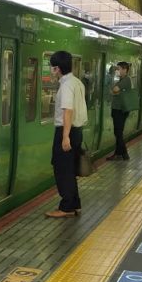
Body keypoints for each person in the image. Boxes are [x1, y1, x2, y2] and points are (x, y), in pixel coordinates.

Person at [46, 50, 87, 219]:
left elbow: (67, 111)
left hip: (67, 131)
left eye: (52, 68)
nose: (51, 71)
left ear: (57, 69)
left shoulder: (66, 86)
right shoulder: (77, 82)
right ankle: (74, 204)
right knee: (69, 170)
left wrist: (65, 136)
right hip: (76, 131)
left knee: (62, 170)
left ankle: (67, 207)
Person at [107, 61, 133, 161]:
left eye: (118, 69)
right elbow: (115, 91)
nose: (117, 71)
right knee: (118, 131)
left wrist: (114, 91)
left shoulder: (126, 80)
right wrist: (115, 92)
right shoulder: (122, 79)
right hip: (118, 109)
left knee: (118, 132)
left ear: (125, 70)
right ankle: (118, 153)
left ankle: (124, 153)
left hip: (120, 110)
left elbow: (115, 89)